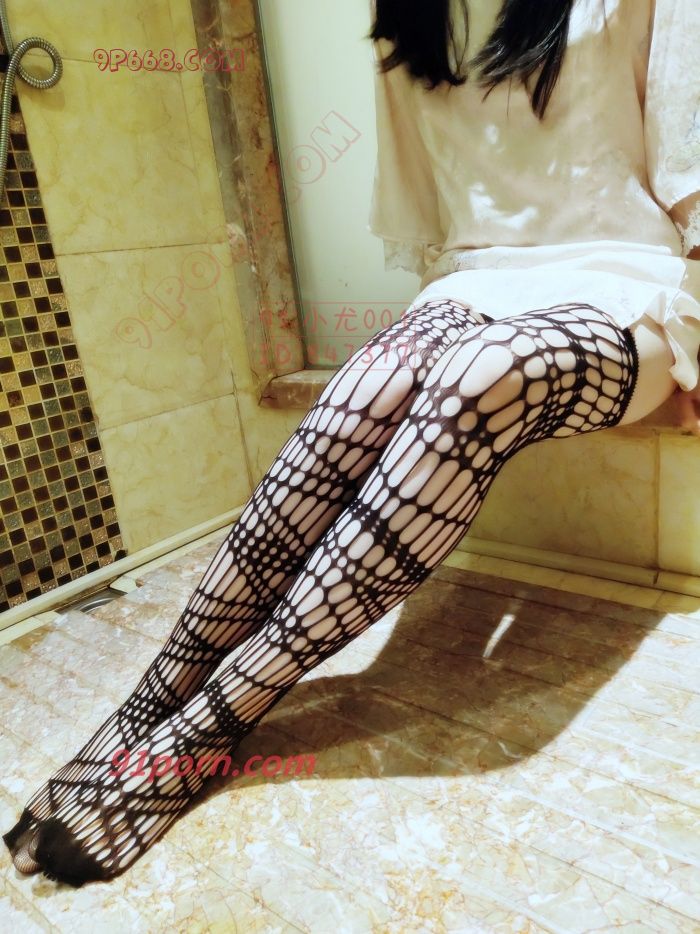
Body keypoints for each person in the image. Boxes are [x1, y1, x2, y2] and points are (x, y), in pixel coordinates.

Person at [4, 0, 700, 886]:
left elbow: (689, 148)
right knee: (363, 384)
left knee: (479, 374)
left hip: (629, 289)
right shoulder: (407, 5)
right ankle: (146, 706)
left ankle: (211, 722)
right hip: (481, 282)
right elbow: (431, 203)